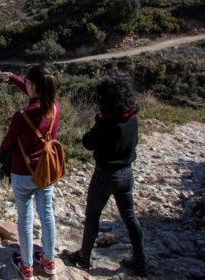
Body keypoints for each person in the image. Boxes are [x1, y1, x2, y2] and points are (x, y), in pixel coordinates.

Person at [64, 74, 149, 276]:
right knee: (130, 217)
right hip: (126, 174)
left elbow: (88, 142)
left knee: (92, 217)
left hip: (104, 175)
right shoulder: (133, 117)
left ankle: (84, 258)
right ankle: (140, 261)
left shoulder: (105, 124)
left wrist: (92, 129)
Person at [0, 65, 60, 279]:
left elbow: (7, 143)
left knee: (24, 219)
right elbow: (35, 95)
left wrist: (2, 153)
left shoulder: (21, 115)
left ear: (33, 85)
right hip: (46, 171)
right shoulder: (55, 108)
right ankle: (49, 260)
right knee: (47, 214)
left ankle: (26, 266)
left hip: (23, 173)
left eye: (27, 83)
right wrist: (13, 78)